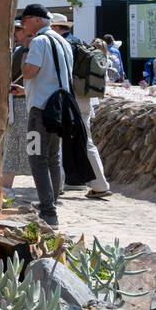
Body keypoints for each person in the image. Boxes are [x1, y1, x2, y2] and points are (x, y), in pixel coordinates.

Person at [20, 4, 76, 227]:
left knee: (36, 157)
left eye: (24, 22)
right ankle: (51, 202)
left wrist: (24, 51)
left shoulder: (39, 41)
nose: (23, 27)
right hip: (61, 106)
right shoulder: (63, 41)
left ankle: (48, 210)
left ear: (34, 20)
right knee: (54, 156)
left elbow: (30, 71)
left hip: (40, 108)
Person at [50, 13, 112, 200]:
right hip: (84, 97)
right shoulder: (80, 43)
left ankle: (55, 185)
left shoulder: (61, 44)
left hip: (68, 97)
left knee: (57, 139)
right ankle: (100, 185)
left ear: (55, 27)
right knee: (86, 141)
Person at [1, 19, 31, 196]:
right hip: (21, 100)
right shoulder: (21, 50)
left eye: (18, 30)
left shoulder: (23, 51)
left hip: (20, 101)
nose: (16, 34)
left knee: (18, 142)